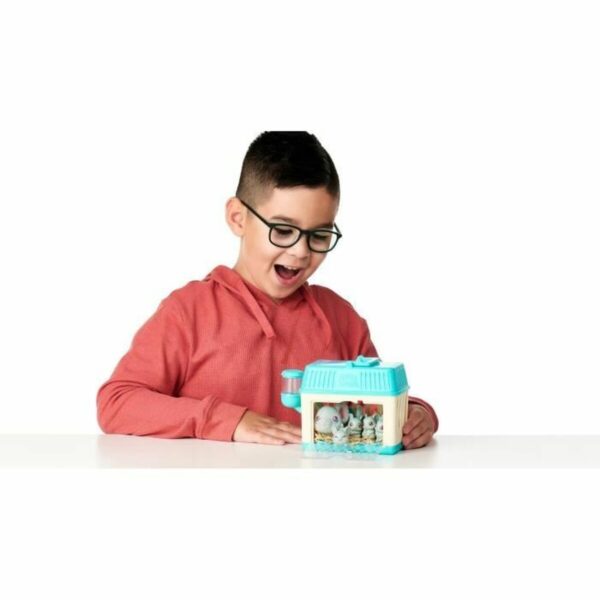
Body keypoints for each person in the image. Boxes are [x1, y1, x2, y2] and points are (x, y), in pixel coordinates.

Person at [96, 131, 438, 449]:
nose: (300, 252)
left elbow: (378, 403)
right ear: (238, 218)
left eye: (319, 235)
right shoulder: (189, 311)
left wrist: (417, 414)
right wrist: (229, 420)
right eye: (283, 230)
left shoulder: (341, 319)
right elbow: (116, 402)